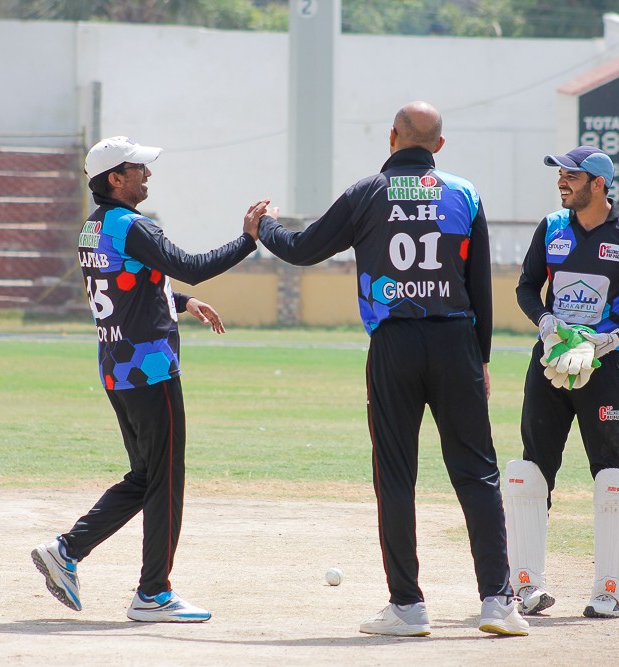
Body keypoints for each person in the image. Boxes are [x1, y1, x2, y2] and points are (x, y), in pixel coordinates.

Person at [258, 102, 529, 637]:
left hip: (393, 345)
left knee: (396, 476)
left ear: (392, 137)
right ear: (439, 145)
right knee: (477, 473)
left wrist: (262, 224)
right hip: (456, 342)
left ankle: (407, 606)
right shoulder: (464, 193)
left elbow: (303, 249)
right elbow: (480, 285)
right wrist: (481, 358)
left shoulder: (367, 193)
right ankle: (498, 602)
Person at [32, 135, 268, 623]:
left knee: (145, 477)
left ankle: (67, 550)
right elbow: (190, 267)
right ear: (116, 178)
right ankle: (153, 593)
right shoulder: (134, 225)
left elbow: (130, 286)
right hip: (151, 371)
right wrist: (248, 240)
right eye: (139, 168)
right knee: (165, 482)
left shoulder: (94, 228)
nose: (148, 174)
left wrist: (181, 302)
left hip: (117, 368)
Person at [506, 146, 619, 619]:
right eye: (560, 174)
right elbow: (526, 286)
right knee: (530, 473)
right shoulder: (552, 227)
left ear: (598, 184)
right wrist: (544, 323)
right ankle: (524, 586)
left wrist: (615, 337)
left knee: (611, 478)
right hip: (551, 363)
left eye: (571, 176)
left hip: (603, 369)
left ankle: (612, 591)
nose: (562, 182)